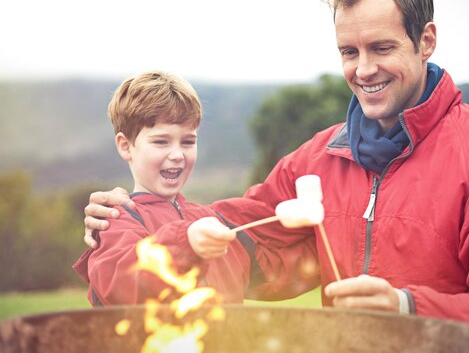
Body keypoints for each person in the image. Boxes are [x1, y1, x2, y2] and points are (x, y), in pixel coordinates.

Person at [81, 0, 469, 353]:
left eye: (382, 47)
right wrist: (132, 220)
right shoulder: (319, 157)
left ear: (426, 41)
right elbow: (242, 237)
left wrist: (405, 307)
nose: (363, 69)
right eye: (349, 52)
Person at [73, 70, 320, 306]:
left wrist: (341, 241)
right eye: (161, 142)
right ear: (126, 146)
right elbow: (122, 285)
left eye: (188, 141)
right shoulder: (116, 219)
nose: (177, 154)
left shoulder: (214, 221)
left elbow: (277, 271)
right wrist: (185, 244)